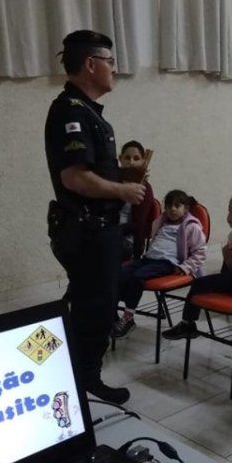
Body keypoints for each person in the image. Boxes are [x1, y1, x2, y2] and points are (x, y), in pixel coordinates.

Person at [45, 30, 146, 405]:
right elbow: (74, 177)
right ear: (91, 64)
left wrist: (123, 178)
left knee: (91, 305)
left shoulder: (87, 112)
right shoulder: (70, 112)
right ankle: (84, 382)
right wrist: (123, 190)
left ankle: (73, 374)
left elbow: (92, 171)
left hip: (98, 230)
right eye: (109, 62)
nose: (114, 69)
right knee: (95, 311)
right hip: (88, 231)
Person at [162, 191, 232, 340]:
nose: (229, 216)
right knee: (199, 284)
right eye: (229, 211)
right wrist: (227, 256)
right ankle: (187, 324)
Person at [113, 190, 207, 339]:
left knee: (137, 278)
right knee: (119, 274)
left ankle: (128, 317)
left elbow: (200, 253)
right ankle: (111, 314)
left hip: (167, 262)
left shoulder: (191, 226)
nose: (172, 209)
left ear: (186, 209)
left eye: (177, 206)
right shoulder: (161, 222)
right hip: (149, 259)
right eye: (169, 206)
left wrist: (185, 267)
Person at [118, 140, 156, 261]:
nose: (131, 162)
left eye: (136, 158)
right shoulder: (114, 182)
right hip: (109, 234)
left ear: (143, 161)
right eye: (127, 158)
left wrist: (137, 256)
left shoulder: (144, 188)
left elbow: (138, 225)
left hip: (128, 241)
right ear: (120, 159)